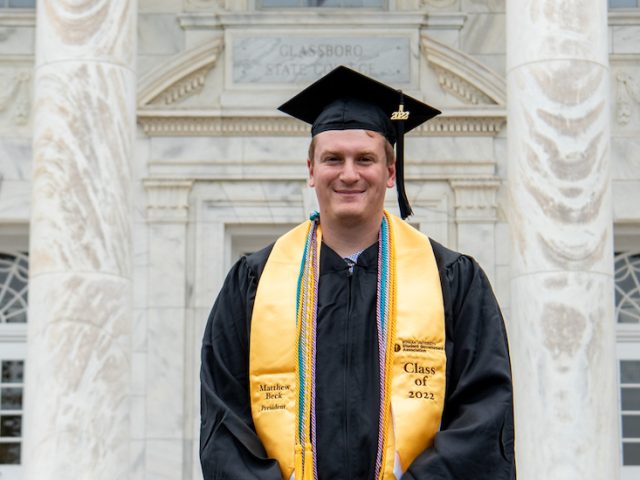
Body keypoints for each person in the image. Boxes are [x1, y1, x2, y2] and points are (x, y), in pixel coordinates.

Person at [200, 66, 515, 480]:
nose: (349, 173)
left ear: (389, 172)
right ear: (312, 171)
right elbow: (225, 419)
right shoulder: (253, 283)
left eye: (365, 159)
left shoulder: (452, 280)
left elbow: (483, 412)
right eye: (333, 159)